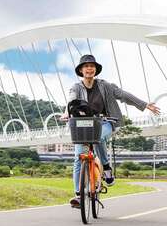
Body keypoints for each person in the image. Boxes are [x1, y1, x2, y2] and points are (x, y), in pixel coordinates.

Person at [62, 54, 160, 207]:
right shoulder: (76, 87)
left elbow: (123, 95)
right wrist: (67, 112)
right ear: (81, 70)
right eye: (86, 66)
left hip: (104, 121)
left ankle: (106, 167)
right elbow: (71, 100)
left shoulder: (104, 86)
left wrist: (144, 104)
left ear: (95, 70)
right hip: (82, 123)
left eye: (92, 66)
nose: (89, 68)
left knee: (98, 137)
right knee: (78, 157)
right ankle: (79, 196)